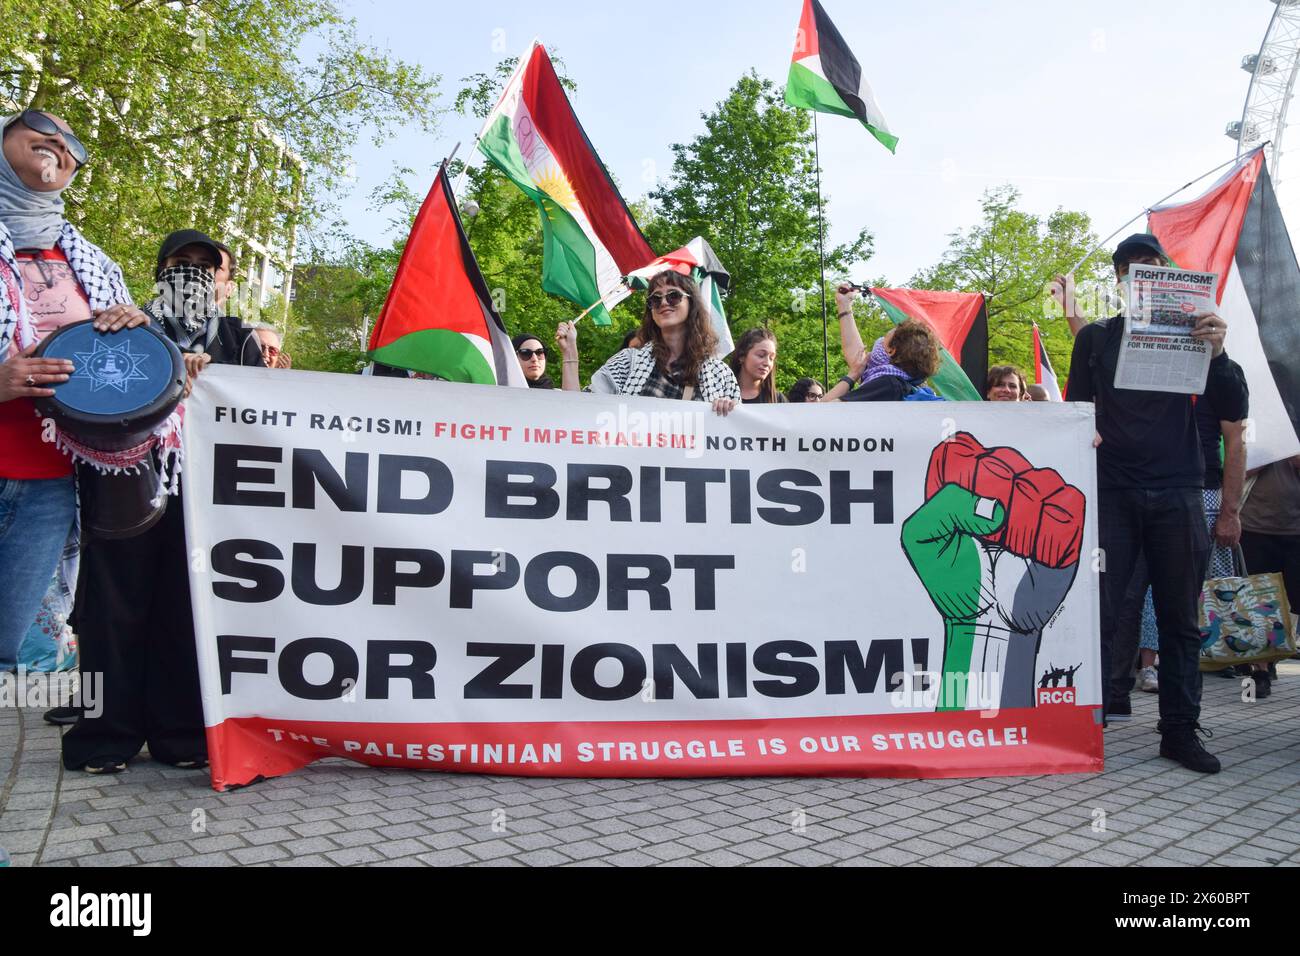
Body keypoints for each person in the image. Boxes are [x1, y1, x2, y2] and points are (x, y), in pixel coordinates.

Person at [62, 229, 265, 775]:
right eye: (181, 261)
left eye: (207, 265)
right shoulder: (124, 324)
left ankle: (181, 735)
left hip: (203, 502)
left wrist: (217, 377)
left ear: (226, 283)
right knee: (111, 612)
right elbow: (92, 387)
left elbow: (259, 418)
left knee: (187, 611)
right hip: (124, 492)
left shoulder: (242, 341)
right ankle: (104, 736)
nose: (193, 273)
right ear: (159, 269)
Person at [1065, 233, 1246, 773]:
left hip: (1179, 491)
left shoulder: (1200, 337)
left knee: (1180, 620)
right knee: (1100, 614)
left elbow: (1234, 410)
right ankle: (1083, 728)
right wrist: (1084, 435)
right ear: (1121, 280)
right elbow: (1075, 409)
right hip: (1113, 490)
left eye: (1157, 266)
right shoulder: (1096, 339)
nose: (1148, 274)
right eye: (1136, 268)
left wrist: (1218, 352)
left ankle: (1180, 732)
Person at [0, 109, 148, 675]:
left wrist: (140, 337)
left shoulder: (96, 267)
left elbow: (121, 379)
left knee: (8, 651)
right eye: (42, 127)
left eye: (74, 144)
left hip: (48, 485)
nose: (61, 143)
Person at [585, 271, 739, 413]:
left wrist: (729, 411)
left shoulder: (721, 375)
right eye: (655, 299)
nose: (664, 302)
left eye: (673, 296)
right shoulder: (626, 362)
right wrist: (570, 353)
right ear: (650, 310)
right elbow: (582, 408)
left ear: (691, 304)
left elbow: (739, 432)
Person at [824, 284, 942, 402]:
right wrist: (844, 305)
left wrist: (852, 375)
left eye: (884, 338)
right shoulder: (906, 383)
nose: (879, 341)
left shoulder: (887, 385)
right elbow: (855, 355)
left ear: (891, 351)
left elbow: (822, 411)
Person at [728, 327, 786, 404]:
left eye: (771, 358)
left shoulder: (778, 400)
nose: (767, 363)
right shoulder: (720, 394)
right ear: (742, 356)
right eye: (761, 355)